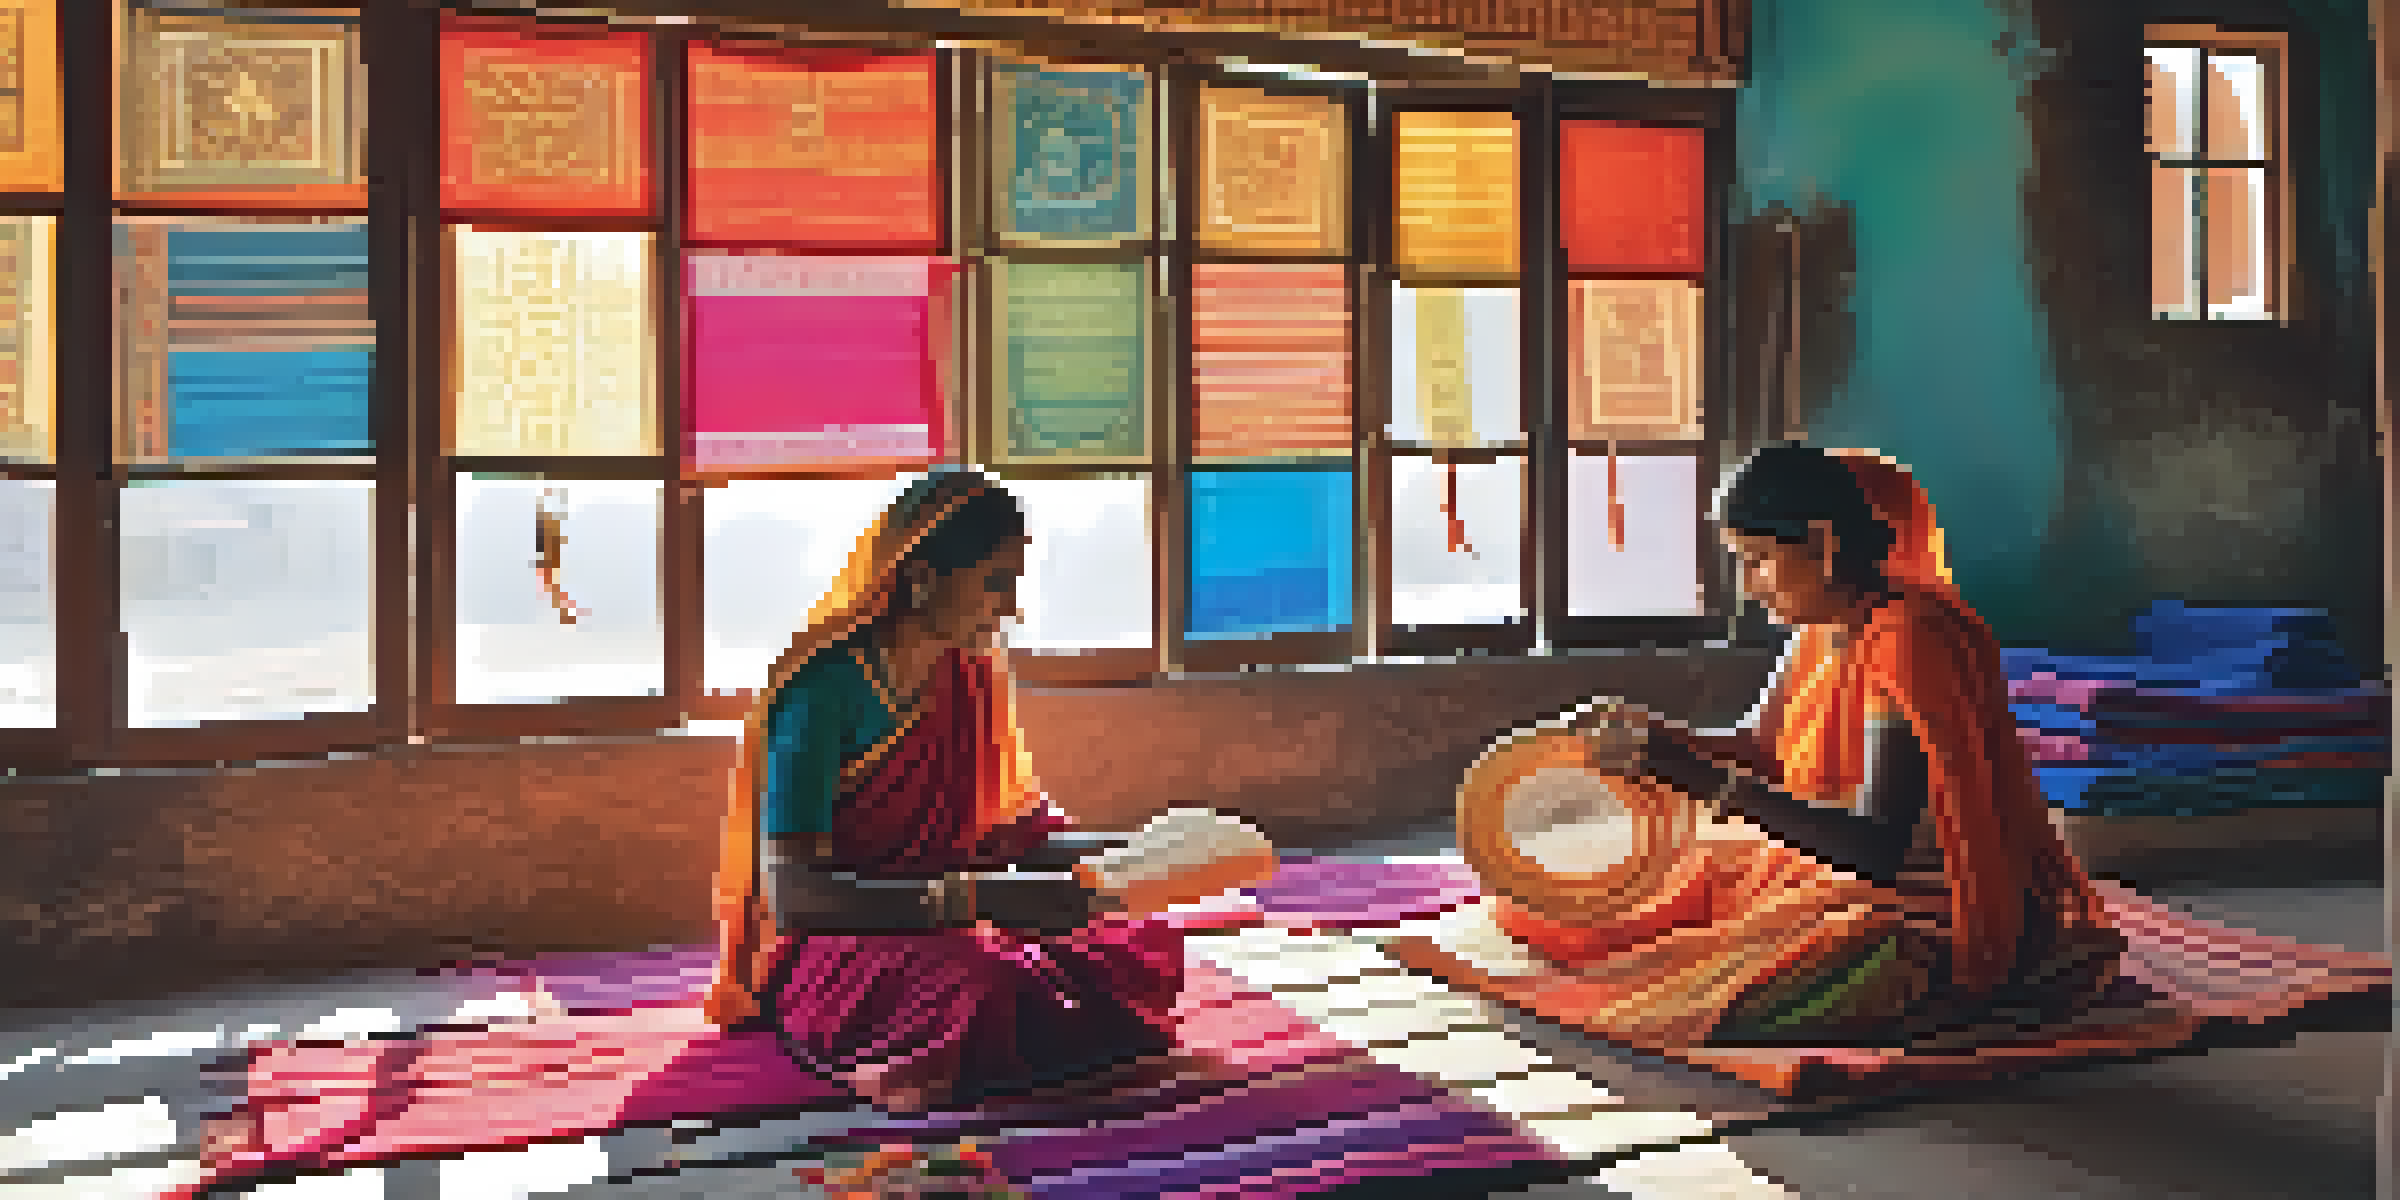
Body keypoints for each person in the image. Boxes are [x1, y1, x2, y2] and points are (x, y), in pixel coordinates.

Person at [1490, 444, 2124, 1048]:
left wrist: (1693, 774)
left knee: (1724, 991)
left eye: (1759, 560)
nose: (1749, 587)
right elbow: (1760, 747)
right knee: (1576, 901)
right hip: (1824, 861)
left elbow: (1874, 848)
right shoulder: (1823, 629)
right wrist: (1652, 736)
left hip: (1916, 895)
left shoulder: (1908, 640)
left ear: (1822, 546)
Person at [707, 467, 1189, 1111]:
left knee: (1142, 941)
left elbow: (1012, 833)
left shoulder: (972, 672)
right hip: (845, 938)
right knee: (977, 985)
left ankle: (1006, 1045)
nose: (1012, 607)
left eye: (1015, 584)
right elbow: (797, 899)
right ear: (923, 578)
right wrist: (969, 900)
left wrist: (1147, 850)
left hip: (958, 914)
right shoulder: (821, 692)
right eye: (995, 582)